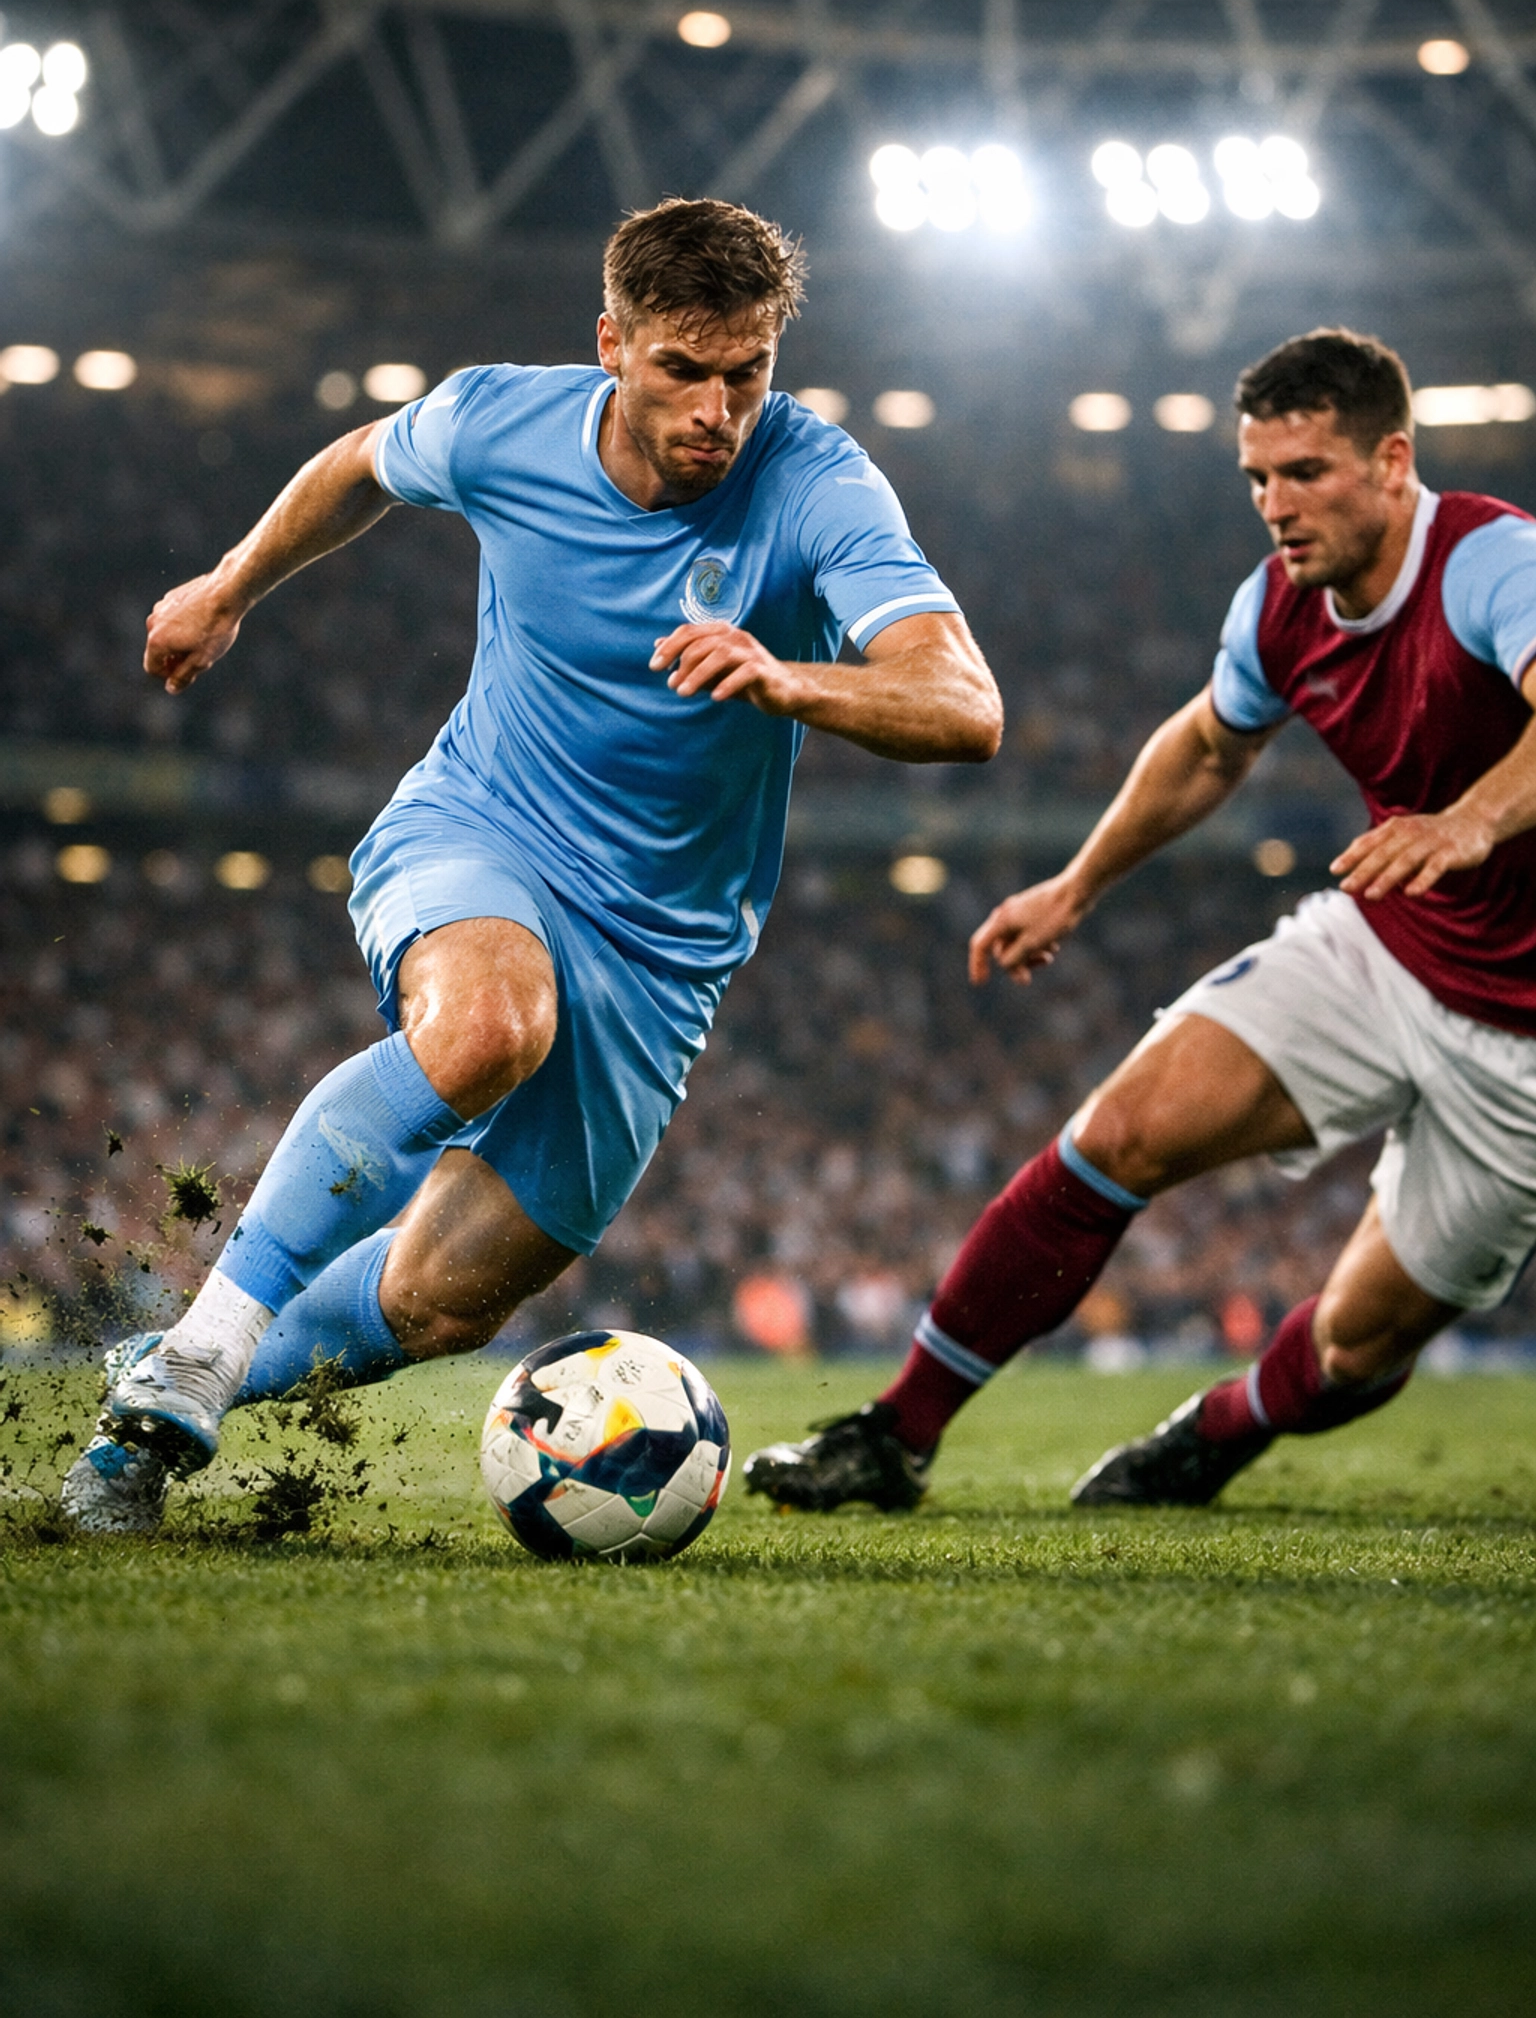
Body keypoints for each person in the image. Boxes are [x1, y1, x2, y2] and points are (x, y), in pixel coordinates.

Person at [63, 197, 1001, 1534]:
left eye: (748, 374)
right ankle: (204, 1348)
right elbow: (359, 463)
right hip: (484, 826)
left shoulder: (817, 482)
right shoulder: (502, 421)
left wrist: (796, 678)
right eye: (683, 370)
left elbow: (965, 705)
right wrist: (229, 585)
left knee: (440, 1301)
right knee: (492, 1026)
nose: (718, 411)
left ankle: (153, 1396)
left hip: (664, 954)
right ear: (612, 345)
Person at [745, 327, 1536, 1514]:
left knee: (1356, 1348)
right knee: (1114, 1137)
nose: (1276, 506)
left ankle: (1218, 1430)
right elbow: (1209, 744)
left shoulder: (1491, 560)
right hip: (1387, 943)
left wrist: (1471, 821)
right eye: (1258, 478)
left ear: (1392, 462)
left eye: (1306, 473)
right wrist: (1075, 885)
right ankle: (893, 1435)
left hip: (1521, 1046)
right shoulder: (1280, 607)